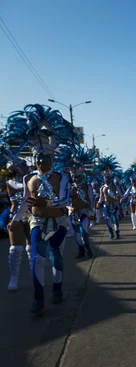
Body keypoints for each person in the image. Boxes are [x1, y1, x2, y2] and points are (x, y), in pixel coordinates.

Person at [4, 104, 79, 313]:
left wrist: (46, 203)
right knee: (37, 258)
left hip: (59, 223)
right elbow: (25, 203)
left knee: (56, 256)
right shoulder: (28, 177)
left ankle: (57, 288)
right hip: (37, 222)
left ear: (52, 159)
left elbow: (64, 201)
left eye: (45, 158)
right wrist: (17, 219)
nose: (40, 162)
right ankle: (38, 298)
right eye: (37, 158)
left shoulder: (62, 177)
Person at [54, 145, 96, 258]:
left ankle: (88, 248)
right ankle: (81, 250)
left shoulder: (87, 187)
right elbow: (65, 200)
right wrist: (68, 208)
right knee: (77, 236)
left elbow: (91, 200)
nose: (76, 179)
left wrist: (92, 212)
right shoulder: (68, 187)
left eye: (78, 176)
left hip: (84, 212)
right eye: (74, 177)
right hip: (72, 214)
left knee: (84, 233)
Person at [0, 141, 32, 290]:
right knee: (16, 249)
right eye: (20, 165)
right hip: (16, 216)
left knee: (32, 248)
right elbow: (22, 186)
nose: (23, 166)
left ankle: (35, 276)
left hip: (31, 215)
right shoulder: (11, 182)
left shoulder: (31, 178)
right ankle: (14, 278)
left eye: (24, 164)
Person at [94, 156, 122, 239]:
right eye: (106, 179)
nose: (107, 180)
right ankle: (111, 232)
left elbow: (119, 194)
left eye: (109, 178)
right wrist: (99, 203)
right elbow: (101, 197)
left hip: (114, 204)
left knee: (115, 219)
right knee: (107, 219)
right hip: (106, 205)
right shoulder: (102, 188)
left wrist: (118, 197)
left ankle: (117, 232)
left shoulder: (115, 186)